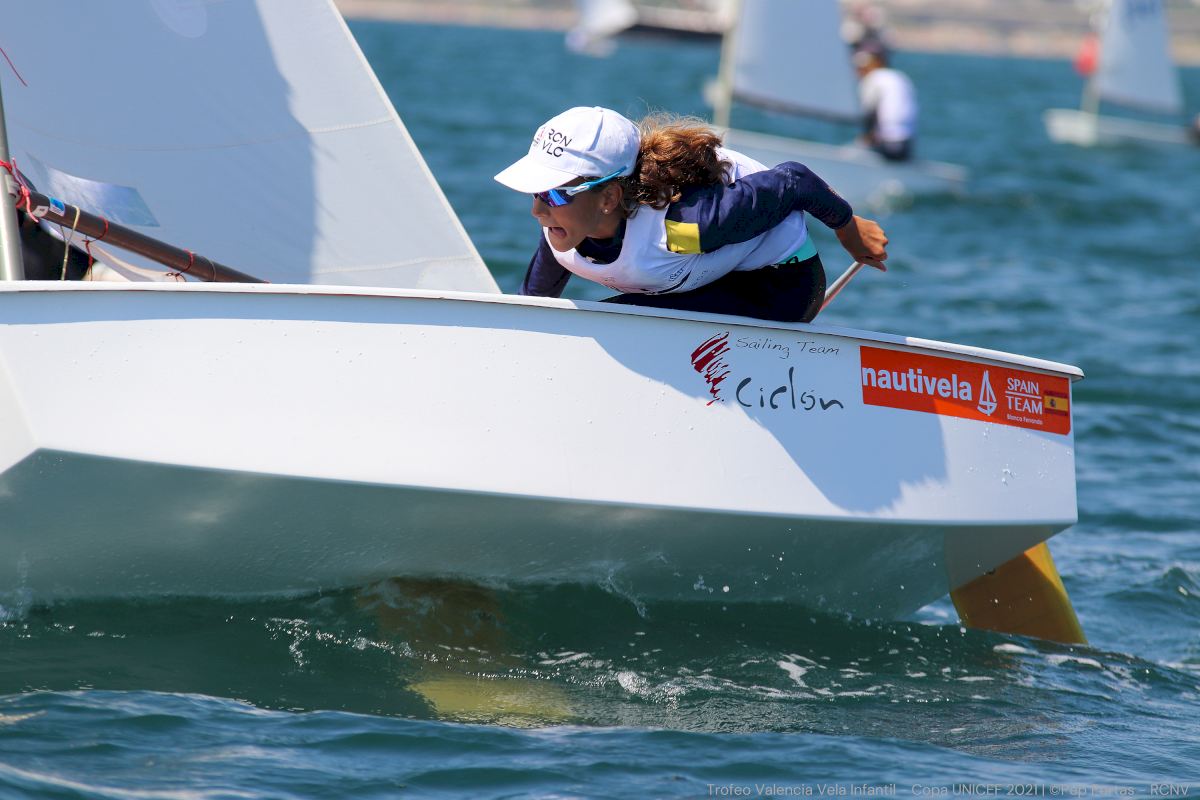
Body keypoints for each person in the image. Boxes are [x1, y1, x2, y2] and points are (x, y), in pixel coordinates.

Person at [493, 106, 888, 323]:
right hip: (694, 282)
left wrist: (848, 227)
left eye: (554, 194)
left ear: (608, 197)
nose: (537, 210)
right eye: (536, 191)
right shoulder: (563, 225)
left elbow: (794, 181)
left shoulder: (687, 227)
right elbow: (530, 314)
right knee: (601, 321)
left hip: (776, 285)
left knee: (612, 322)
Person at [853, 44, 918, 162]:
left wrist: (868, 137)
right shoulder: (899, 77)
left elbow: (867, 112)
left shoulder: (874, 78)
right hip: (906, 144)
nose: (859, 72)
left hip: (887, 144)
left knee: (856, 149)